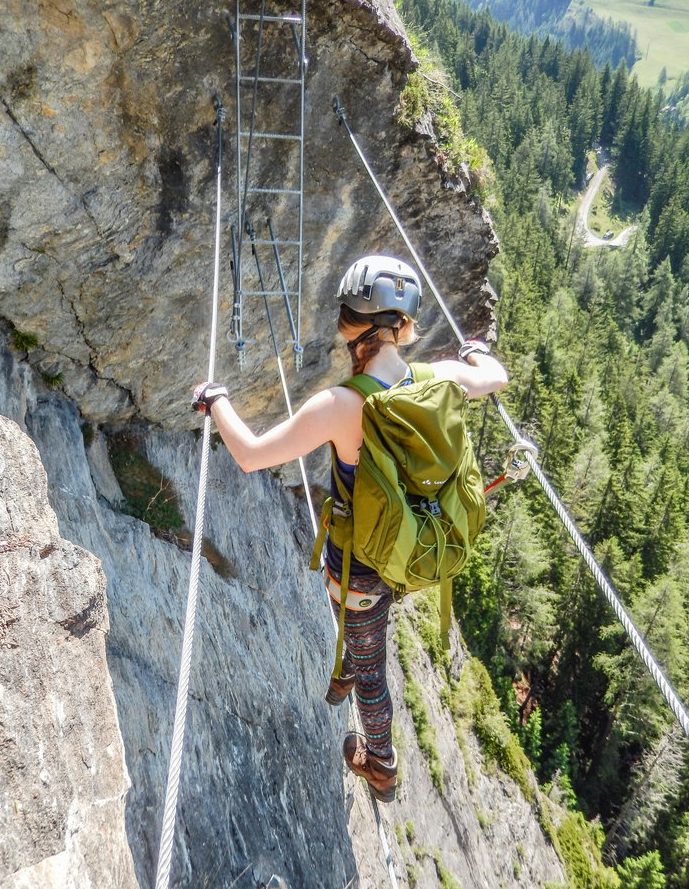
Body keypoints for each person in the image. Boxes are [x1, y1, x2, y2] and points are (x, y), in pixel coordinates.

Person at [192, 255, 509, 801]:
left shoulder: (342, 406)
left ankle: (381, 763)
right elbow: (496, 376)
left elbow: (249, 455)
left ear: (346, 323)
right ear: (404, 328)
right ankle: (349, 673)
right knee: (367, 629)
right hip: (411, 548)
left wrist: (215, 400)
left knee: (371, 673)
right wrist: (475, 351)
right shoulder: (445, 380)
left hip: (358, 569)